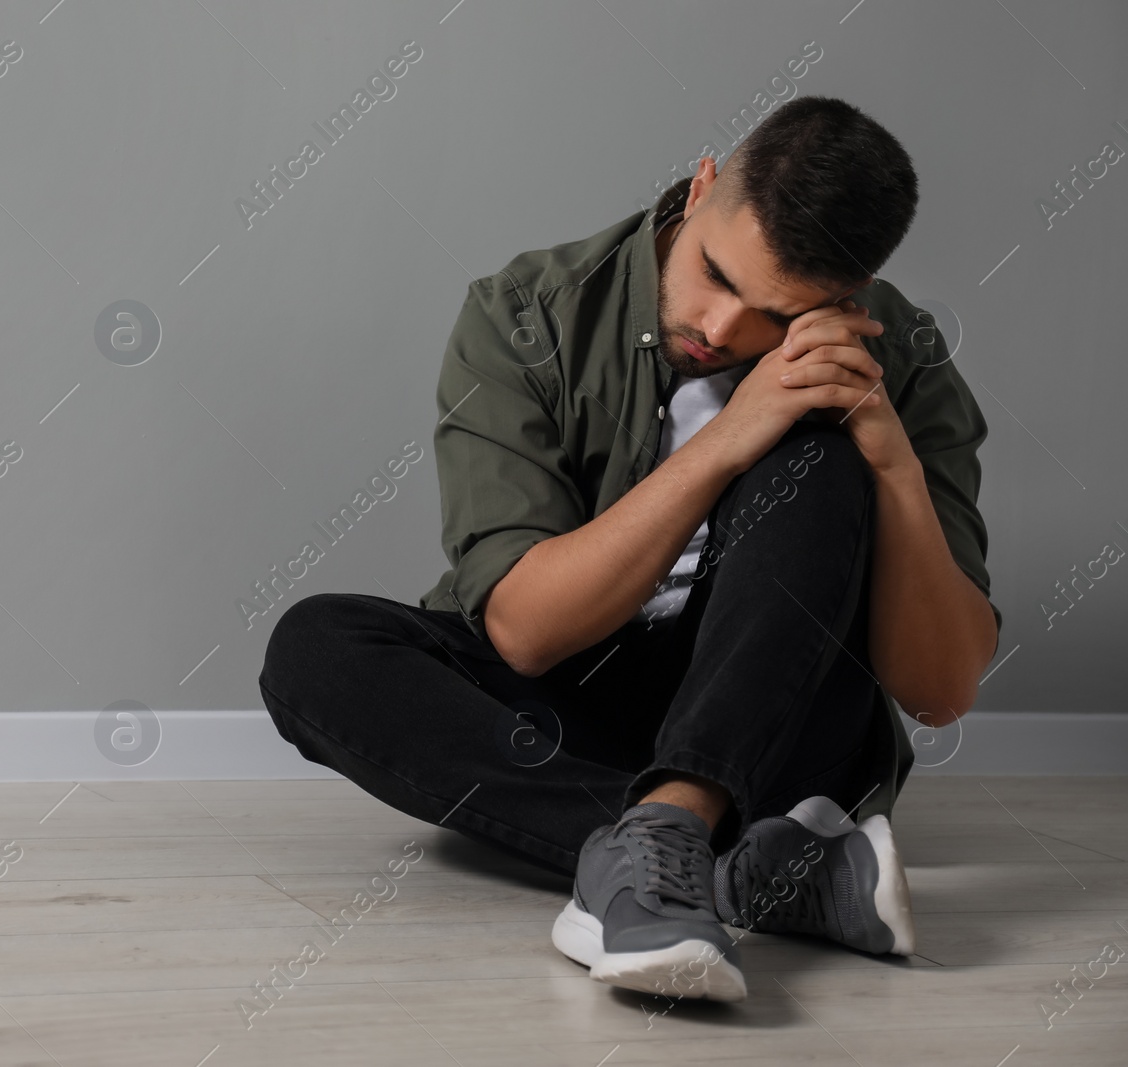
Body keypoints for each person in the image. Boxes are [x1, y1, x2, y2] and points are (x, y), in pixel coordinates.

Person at [257, 96, 1002, 1003]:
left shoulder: (903, 359)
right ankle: (752, 867)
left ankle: (662, 848)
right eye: (716, 276)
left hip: (779, 722)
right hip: (572, 702)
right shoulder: (528, 312)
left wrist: (889, 460)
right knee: (317, 647)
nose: (724, 328)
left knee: (822, 457)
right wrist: (732, 436)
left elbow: (939, 690)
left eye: (774, 313)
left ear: (846, 302)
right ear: (700, 189)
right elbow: (527, 633)